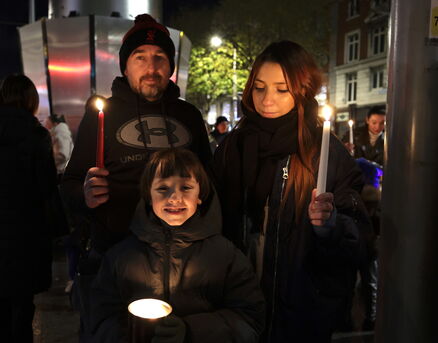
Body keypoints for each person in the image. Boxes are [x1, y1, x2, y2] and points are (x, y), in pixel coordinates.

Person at [61, 14, 211, 340]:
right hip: (114, 259)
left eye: (160, 58)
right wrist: (84, 194)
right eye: (140, 58)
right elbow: (70, 183)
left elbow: (210, 184)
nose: (151, 67)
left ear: (170, 66)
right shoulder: (102, 115)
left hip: (182, 264)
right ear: (125, 66)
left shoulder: (188, 116)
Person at [214, 41, 373, 342]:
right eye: (259, 87)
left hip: (301, 314)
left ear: (302, 90)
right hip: (236, 308)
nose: (267, 100)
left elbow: (360, 239)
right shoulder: (231, 147)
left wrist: (332, 226)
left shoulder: (326, 153)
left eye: (281, 89)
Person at [90, 148, 265, 342]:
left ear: (201, 194)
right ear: (149, 195)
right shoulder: (121, 256)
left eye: (186, 188)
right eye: (163, 188)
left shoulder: (226, 256)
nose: (174, 197)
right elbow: (99, 317)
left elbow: (249, 318)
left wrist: (190, 331)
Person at [0, 74, 68, 341]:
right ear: (30, 100)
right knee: (22, 305)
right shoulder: (36, 135)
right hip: (24, 233)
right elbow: (46, 187)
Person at [44, 113, 74, 179]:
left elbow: (62, 155)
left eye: (47, 123)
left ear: (55, 124)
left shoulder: (60, 133)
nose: (45, 125)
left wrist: (46, 162)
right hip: (60, 172)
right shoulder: (57, 133)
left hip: (60, 173)